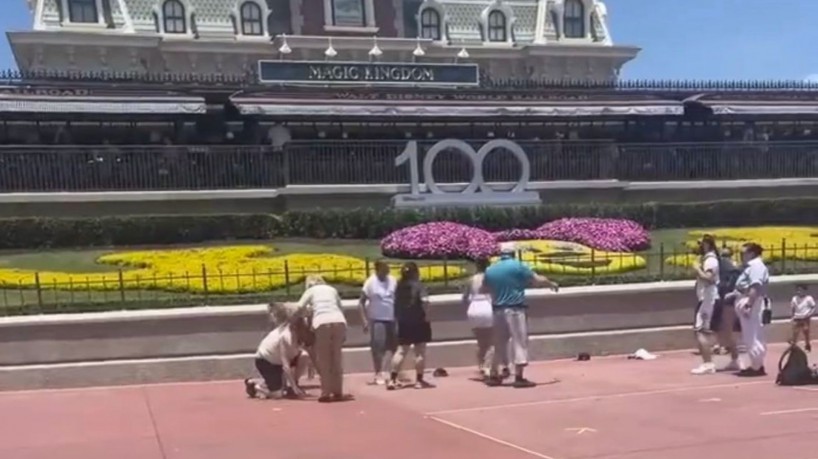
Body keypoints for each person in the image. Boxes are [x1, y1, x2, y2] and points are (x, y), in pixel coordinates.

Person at [483, 244, 559, 388]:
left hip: (497, 310)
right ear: (513, 253)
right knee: (519, 342)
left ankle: (493, 374)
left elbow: (485, 287)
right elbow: (536, 279)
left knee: (498, 343)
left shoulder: (491, 269)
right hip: (515, 309)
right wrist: (550, 283)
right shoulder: (518, 266)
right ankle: (519, 376)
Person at [296, 275, 351, 403]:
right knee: (336, 358)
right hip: (339, 321)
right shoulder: (332, 289)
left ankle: (326, 392)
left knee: (324, 359)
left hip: (322, 322)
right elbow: (341, 307)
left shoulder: (311, 291)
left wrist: (306, 314)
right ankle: (338, 391)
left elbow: (299, 307)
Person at [245, 302, 310, 399]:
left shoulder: (301, 333)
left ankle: (289, 385)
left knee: (304, 355)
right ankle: (255, 386)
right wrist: (294, 387)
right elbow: (286, 365)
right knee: (278, 394)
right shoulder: (285, 336)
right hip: (267, 361)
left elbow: (308, 350)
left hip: (281, 359)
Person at [388, 262, 434, 390]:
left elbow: (394, 304)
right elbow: (425, 302)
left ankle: (392, 379)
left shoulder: (399, 287)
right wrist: (427, 315)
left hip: (403, 322)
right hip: (419, 321)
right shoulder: (419, 286)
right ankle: (419, 380)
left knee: (401, 351)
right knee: (420, 352)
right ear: (415, 273)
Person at [729, 242, 770, 377]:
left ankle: (757, 366)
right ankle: (756, 365)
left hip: (751, 302)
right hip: (748, 300)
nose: (741, 256)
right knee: (752, 334)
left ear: (751, 253)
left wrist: (748, 305)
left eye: (743, 253)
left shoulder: (756, 266)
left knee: (751, 336)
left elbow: (755, 287)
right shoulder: (751, 267)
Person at [462, 258, 504, 378]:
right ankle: (487, 367)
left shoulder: (471, 280)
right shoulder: (492, 279)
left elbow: (465, 298)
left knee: (480, 341)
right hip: (487, 306)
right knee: (492, 341)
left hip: (474, 307)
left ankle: (481, 366)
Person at [358, 260, 398, 385]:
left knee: (394, 347)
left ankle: (392, 372)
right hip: (377, 319)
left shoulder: (393, 280)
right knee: (378, 346)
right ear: (378, 269)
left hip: (392, 318)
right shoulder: (370, 282)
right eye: (385, 267)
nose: (388, 269)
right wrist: (364, 320)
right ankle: (378, 372)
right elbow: (361, 302)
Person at [691, 235, 721, 375]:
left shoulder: (710, 260)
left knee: (700, 331)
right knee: (704, 331)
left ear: (707, 244)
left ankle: (708, 363)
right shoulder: (707, 259)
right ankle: (709, 360)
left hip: (707, 299)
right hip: (705, 298)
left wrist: (697, 269)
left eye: (701, 244)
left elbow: (709, 278)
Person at [713, 247, 741, 370]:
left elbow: (730, 284)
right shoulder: (729, 267)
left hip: (728, 300)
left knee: (728, 329)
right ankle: (732, 355)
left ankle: (736, 358)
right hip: (725, 299)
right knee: (724, 329)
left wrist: (726, 293)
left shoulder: (730, 268)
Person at [790, 284, 815, 352]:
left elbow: (813, 307)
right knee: (795, 333)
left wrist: (809, 314)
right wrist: (792, 317)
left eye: (800, 290)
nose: (799, 292)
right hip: (797, 317)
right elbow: (793, 308)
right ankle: (793, 346)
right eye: (798, 290)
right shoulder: (794, 298)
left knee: (806, 332)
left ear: (804, 290)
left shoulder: (809, 298)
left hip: (805, 318)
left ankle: (807, 345)